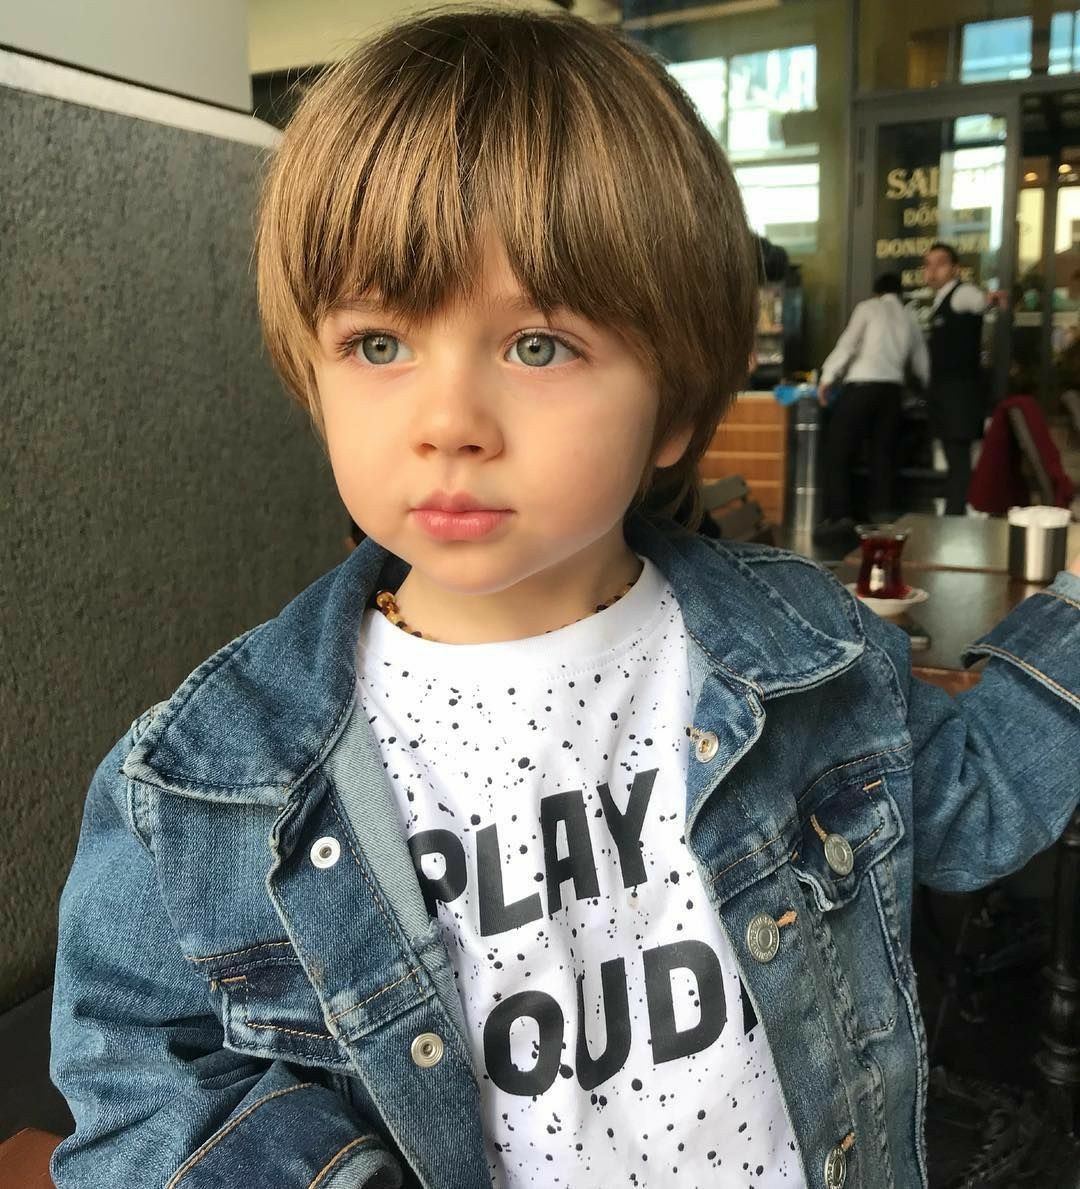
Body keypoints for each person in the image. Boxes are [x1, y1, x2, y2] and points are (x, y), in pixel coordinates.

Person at [49, 11, 1080, 1189]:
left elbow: (973, 796)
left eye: (538, 346)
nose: (448, 422)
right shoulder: (208, 780)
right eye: (379, 343)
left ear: (674, 409)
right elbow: (140, 1094)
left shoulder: (801, 652)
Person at [812, 272, 929, 542]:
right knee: (882, 455)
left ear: (877, 292)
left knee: (838, 449)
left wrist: (828, 377)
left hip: (862, 387)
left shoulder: (868, 308)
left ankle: (841, 516)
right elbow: (922, 361)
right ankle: (881, 517)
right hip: (892, 393)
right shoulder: (909, 317)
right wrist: (927, 390)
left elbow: (847, 345)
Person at [922, 242, 999, 516]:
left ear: (955, 269)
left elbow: (980, 301)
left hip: (959, 393)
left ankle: (955, 517)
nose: (932, 270)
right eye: (928, 264)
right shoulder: (940, 300)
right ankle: (954, 514)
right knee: (953, 458)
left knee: (958, 460)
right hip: (945, 393)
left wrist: (992, 298)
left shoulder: (961, 293)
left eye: (940, 263)